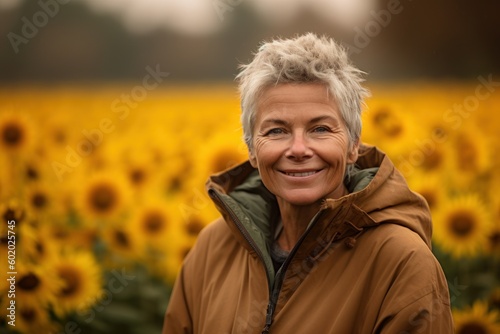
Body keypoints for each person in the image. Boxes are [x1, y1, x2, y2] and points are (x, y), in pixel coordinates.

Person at [162, 33, 454, 333]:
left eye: (320, 129)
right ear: (251, 149)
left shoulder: (402, 264)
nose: (299, 149)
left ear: (353, 145)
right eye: (276, 131)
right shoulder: (213, 249)